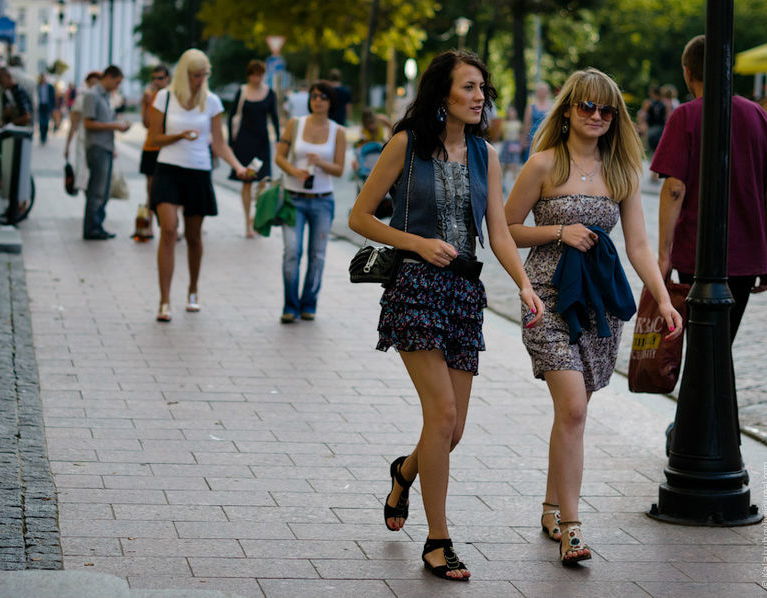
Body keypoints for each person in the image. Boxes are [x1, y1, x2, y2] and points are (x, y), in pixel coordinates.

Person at [349, 50, 545, 581]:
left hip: (464, 294)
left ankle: (404, 471)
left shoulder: (485, 155)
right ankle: (438, 541)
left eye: (483, 87)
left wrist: (524, 284)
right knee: (440, 417)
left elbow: (499, 232)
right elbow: (360, 216)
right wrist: (416, 241)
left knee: (451, 430)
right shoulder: (405, 146)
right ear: (443, 96)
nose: (480, 96)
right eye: (468, 88)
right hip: (414, 287)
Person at [504, 68, 684, 565]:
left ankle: (549, 506)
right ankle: (573, 529)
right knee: (575, 408)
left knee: (572, 411)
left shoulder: (621, 171)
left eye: (607, 109)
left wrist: (663, 298)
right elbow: (507, 228)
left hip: (600, 306)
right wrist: (559, 232)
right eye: (586, 106)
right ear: (567, 111)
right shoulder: (542, 165)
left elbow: (640, 246)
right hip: (546, 297)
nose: (597, 116)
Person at [652, 34, 767, 345]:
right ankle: (719, 395)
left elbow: (674, 188)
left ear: (687, 72)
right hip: (746, 254)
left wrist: (663, 255)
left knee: (703, 347)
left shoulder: (685, 116)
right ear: (728, 69)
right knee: (722, 343)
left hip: (696, 252)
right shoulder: (757, 115)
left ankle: (707, 395)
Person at [147, 49, 249, 321]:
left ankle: (193, 290)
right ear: (184, 74)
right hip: (168, 169)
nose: (200, 80)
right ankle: (164, 300)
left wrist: (238, 166)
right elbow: (154, 138)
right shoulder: (164, 97)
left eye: (204, 75)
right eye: (195, 75)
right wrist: (178, 135)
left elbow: (219, 142)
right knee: (168, 231)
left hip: (198, 171)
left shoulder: (212, 101)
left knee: (194, 237)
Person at [274, 81, 346, 323]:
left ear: (330, 102)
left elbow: (338, 169)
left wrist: (320, 163)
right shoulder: (296, 124)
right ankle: (290, 306)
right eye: (314, 96)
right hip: (293, 198)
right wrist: (293, 171)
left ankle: (309, 304)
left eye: (323, 97)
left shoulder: (338, 131)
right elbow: (279, 157)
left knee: (317, 256)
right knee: (292, 252)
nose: (318, 100)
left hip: (322, 201)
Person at [228, 59, 280, 237]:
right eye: (253, 74)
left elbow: (275, 117)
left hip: (262, 142)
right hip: (244, 142)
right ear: (249, 75)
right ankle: (247, 223)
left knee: (263, 181)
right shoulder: (242, 91)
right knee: (247, 183)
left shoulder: (269, 93)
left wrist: (279, 140)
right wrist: (231, 142)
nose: (256, 78)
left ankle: (254, 218)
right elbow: (232, 116)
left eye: (259, 74)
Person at [81, 65, 130, 240]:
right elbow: (88, 123)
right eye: (116, 82)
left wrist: (117, 125)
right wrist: (114, 126)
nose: (117, 86)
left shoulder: (105, 96)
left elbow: (103, 121)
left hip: (106, 146)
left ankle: (97, 224)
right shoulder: (92, 95)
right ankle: (91, 227)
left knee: (104, 189)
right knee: (97, 190)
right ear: (108, 76)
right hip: (97, 147)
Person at [64, 71, 101, 193]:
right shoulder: (81, 99)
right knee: (85, 177)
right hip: (84, 141)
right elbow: (73, 124)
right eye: (93, 83)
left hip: (99, 142)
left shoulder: (103, 99)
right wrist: (67, 146)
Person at [140, 64, 171, 200]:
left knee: (168, 186)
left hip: (168, 147)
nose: (156, 81)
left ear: (167, 78)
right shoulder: (150, 97)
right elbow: (147, 124)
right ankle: (150, 218)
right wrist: (147, 104)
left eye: (160, 78)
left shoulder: (172, 97)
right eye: (154, 78)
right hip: (151, 146)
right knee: (150, 186)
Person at [522, 81, 552, 160]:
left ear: (547, 92)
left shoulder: (552, 106)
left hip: (547, 137)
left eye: (544, 90)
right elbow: (526, 124)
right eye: (540, 90)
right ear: (537, 92)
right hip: (533, 138)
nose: (542, 92)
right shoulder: (531, 106)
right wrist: (524, 139)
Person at [498, 105, 523, 191]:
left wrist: (520, 144)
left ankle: (513, 183)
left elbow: (520, 134)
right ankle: (504, 181)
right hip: (507, 143)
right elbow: (501, 134)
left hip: (515, 144)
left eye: (513, 111)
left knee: (514, 163)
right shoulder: (505, 123)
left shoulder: (518, 123)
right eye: (510, 111)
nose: (511, 113)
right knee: (504, 163)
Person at [638, 85, 668, 155]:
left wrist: (641, 124)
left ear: (652, 93)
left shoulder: (648, 103)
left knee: (652, 149)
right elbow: (667, 117)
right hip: (661, 128)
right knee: (659, 148)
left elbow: (642, 115)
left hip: (651, 128)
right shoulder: (664, 103)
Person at [36, 73, 56, 144]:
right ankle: (42, 136)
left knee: (46, 122)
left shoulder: (50, 87)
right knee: (41, 122)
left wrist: (53, 108)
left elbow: (53, 98)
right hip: (41, 106)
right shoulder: (38, 86)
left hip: (47, 106)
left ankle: (45, 136)